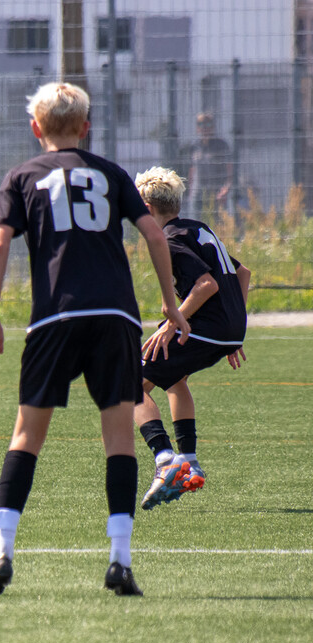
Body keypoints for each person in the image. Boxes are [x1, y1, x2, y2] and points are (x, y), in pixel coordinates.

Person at [0, 82, 190, 597]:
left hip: (55, 316)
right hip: (115, 314)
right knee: (118, 436)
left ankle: (1, 552)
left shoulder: (23, 175)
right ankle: (119, 560)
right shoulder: (111, 173)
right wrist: (169, 304)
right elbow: (156, 235)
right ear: (86, 128)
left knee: (27, 435)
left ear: (36, 128)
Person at [132, 166, 251, 510]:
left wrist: (173, 321)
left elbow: (206, 285)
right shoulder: (197, 229)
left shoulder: (169, 239)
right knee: (174, 378)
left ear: (147, 208)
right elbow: (241, 273)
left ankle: (166, 459)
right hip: (224, 329)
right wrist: (236, 330)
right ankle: (190, 461)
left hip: (206, 326)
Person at [187, 112, 234, 217]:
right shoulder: (194, 146)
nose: (204, 128)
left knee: (218, 225)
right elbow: (192, 170)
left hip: (217, 194)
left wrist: (226, 189)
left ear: (213, 127)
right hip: (198, 194)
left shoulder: (221, 145)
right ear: (197, 128)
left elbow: (230, 169)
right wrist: (190, 191)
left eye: (208, 125)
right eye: (201, 124)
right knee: (197, 226)